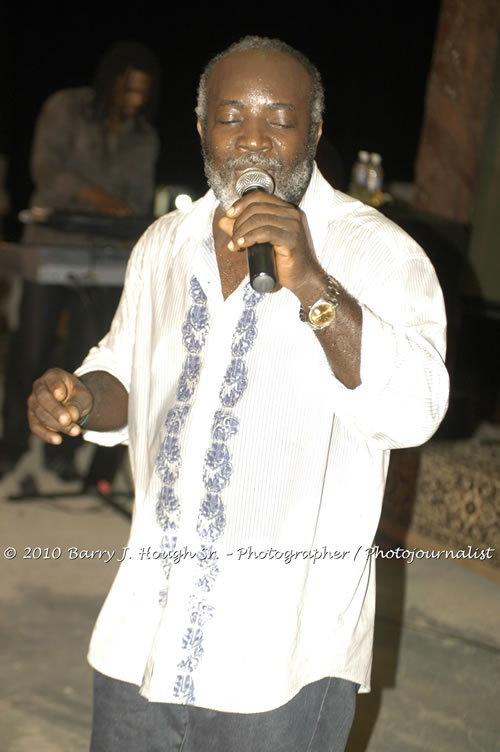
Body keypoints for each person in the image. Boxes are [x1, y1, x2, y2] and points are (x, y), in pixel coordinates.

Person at [27, 36, 449, 752]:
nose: (253, 140)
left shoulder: (378, 253)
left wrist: (310, 281)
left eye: (278, 119)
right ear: (202, 128)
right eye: (230, 118)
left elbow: (416, 409)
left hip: (281, 658)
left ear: (313, 130)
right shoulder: (163, 244)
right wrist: (81, 398)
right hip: (143, 635)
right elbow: (125, 370)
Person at [0, 41, 160, 481]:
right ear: (111, 82)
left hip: (106, 256)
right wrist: (105, 203)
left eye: (143, 93)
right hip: (51, 244)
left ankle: (63, 452)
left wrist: (125, 218)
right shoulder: (64, 108)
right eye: (129, 90)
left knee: (85, 355)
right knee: (31, 350)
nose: (135, 100)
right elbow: (49, 173)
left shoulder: (144, 135)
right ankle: (11, 445)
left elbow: (138, 199)